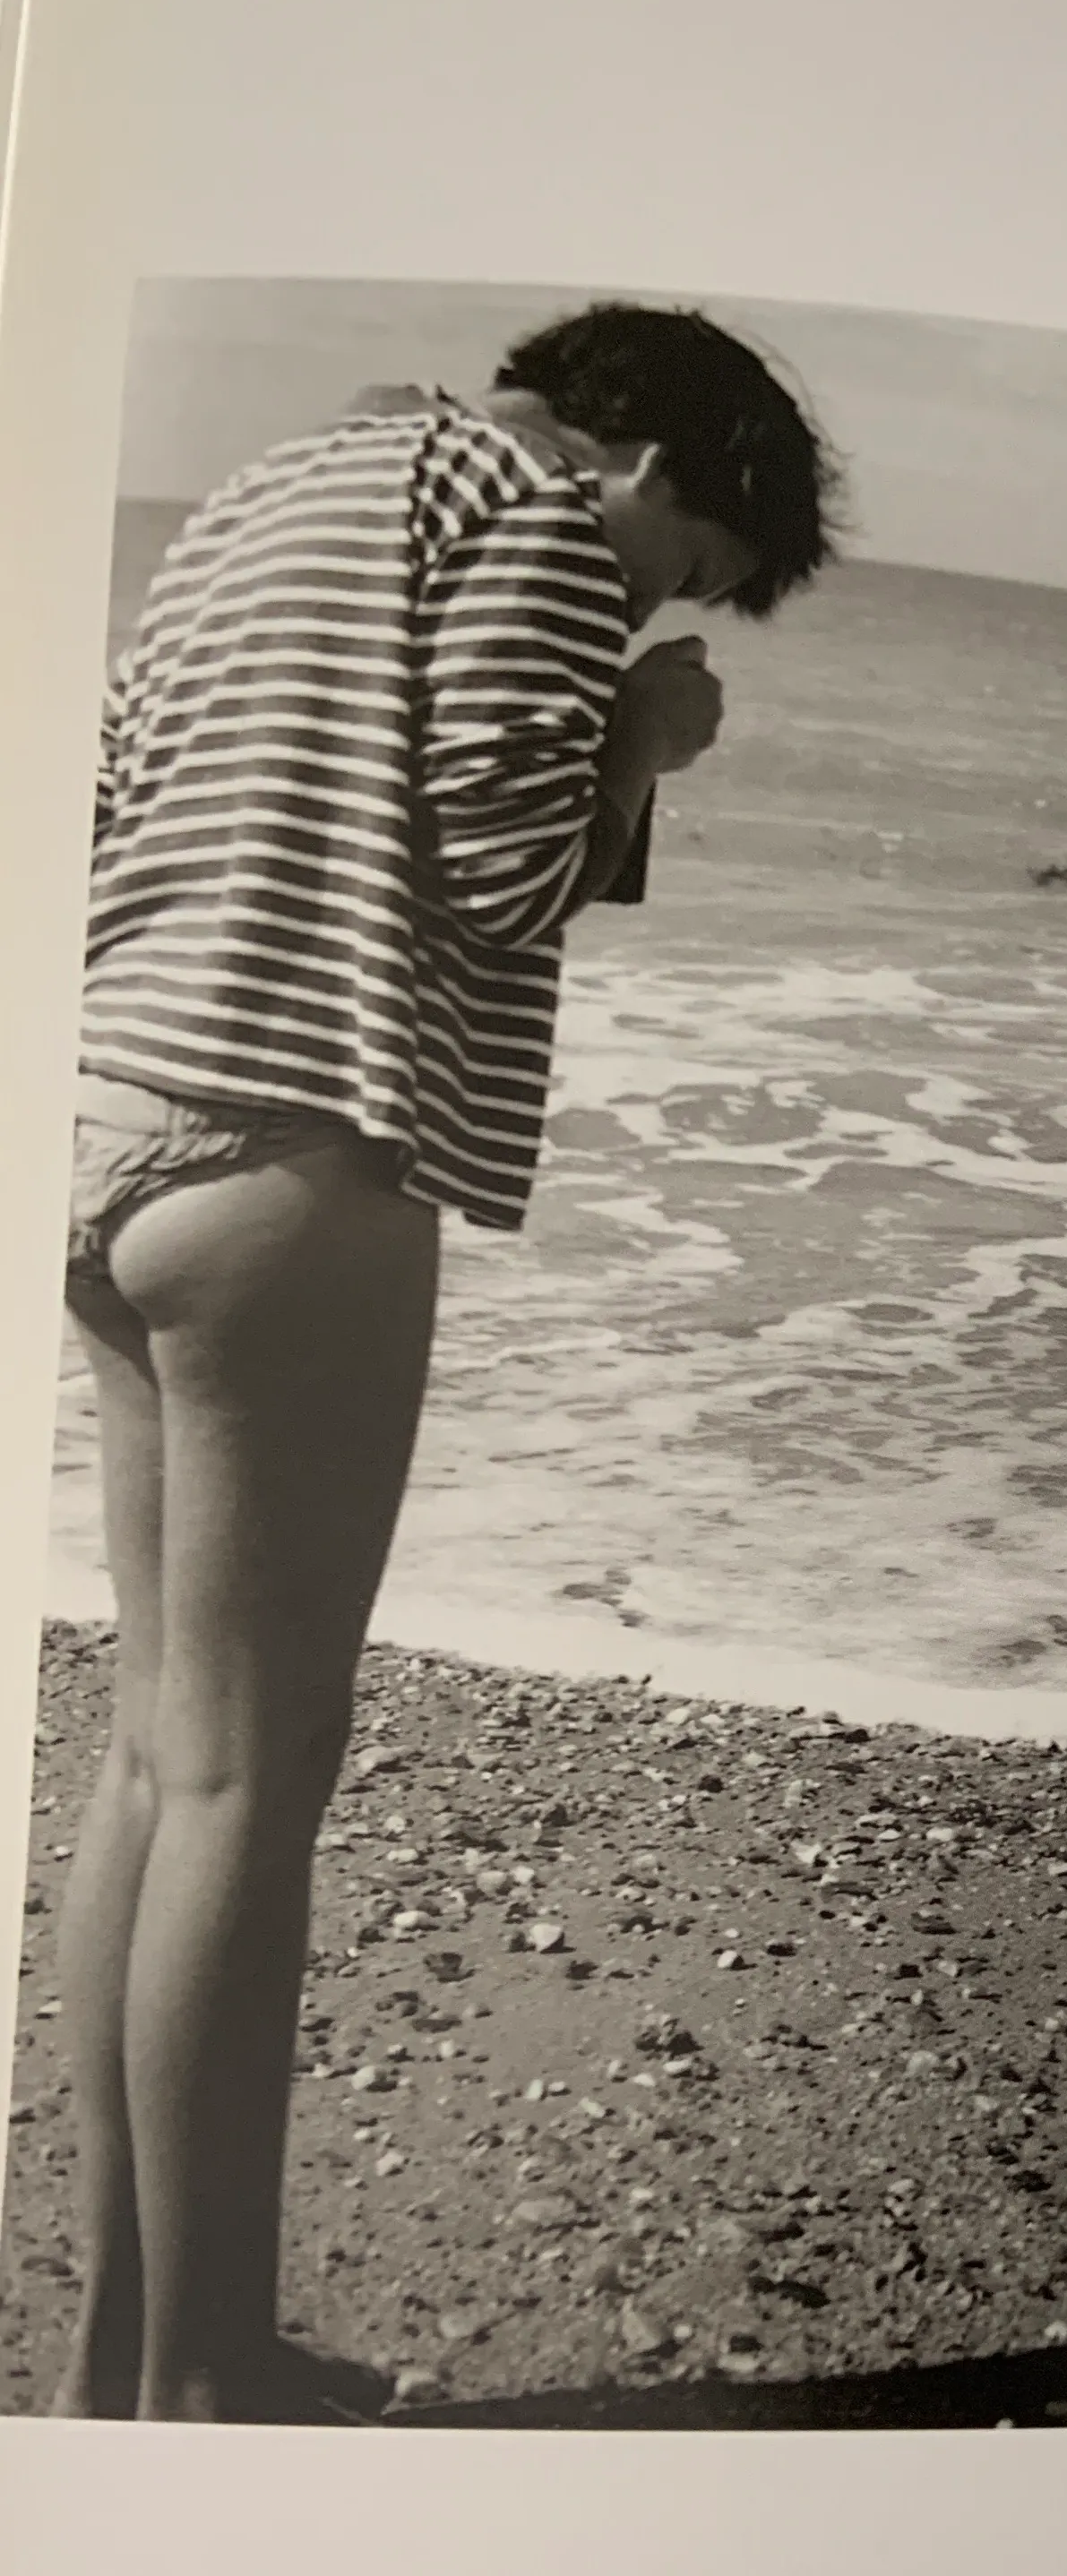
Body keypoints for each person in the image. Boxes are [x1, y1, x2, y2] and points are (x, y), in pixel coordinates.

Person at [54, 303, 839, 2420]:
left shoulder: (263, 493)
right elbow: (495, 881)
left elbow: (102, 803)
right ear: (655, 467)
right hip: (291, 1157)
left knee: (154, 1761)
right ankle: (208, 2377)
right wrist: (635, 742)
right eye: (689, 569)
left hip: (107, 1119)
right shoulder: (546, 525)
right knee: (247, 1779)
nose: (660, 609)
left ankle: (110, 2355)